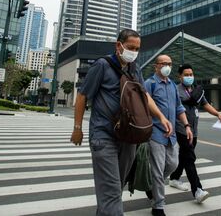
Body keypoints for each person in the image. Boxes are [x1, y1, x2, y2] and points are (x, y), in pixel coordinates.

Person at [70, 29, 172, 216]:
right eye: (131, 47)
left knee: (116, 186)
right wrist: (77, 128)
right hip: (103, 136)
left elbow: (144, 95)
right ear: (119, 45)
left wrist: (160, 116)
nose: (134, 51)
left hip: (128, 136)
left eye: (137, 48)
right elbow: (83, 96)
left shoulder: (135, 69)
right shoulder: (102, 65)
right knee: (111, 191)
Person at [144, 55, 193, 216]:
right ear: (156, 66)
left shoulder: (172, 85)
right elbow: (144, 107)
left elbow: (179, 107)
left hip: (171, 135)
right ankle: (158, 206)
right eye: (164, 64)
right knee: (158, 170)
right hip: (155, 133)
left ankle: (151, 185)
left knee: (172, 164)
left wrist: (186, 126)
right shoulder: (149, 84)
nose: (167, 66)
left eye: (169, 64)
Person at [168, 64, 221, 204]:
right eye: (186, 75)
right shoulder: (175, 90)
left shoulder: (196, 90)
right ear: (180, 76)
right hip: (182, 128)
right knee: (189, 158)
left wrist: (217, 113)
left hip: (194, 130)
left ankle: (174, 178)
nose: (189, 77)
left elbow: (205, 104)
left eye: (191, 74)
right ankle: (197, 190)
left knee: (184, 156)